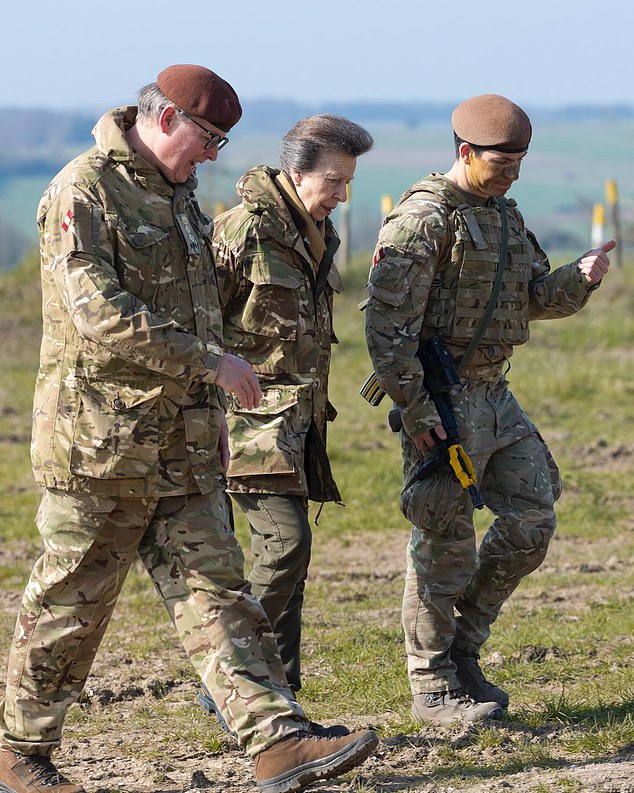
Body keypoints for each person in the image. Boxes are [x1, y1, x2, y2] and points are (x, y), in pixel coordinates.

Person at [0, 65, 378, 793]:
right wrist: (210, 363)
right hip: (100, 447)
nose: (215, 156)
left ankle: (275, 740)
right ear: (166, 119)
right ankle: (20, 751)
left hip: (183, 444)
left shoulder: (178, 197)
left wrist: (211, 414)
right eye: (209, 138)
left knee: (221, 594)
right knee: (70, 605)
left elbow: (203, 307)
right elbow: (96, 312)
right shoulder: (81, 191)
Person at [364, 93, 613, 727]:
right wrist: (417, 411)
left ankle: (462, 649)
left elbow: (533, 299)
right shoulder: (422, 222)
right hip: (442, 404)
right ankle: (433, 685)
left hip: (495, 398)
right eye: (502, 162)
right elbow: (388, 333)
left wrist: (580, 278)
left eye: (521, 162)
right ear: (465, 152)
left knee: (532, 521)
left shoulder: (503, 214)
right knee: (443, 541)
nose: (513, 173)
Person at [197, 114, 373, 724]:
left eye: (349, 182)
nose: (342, 195)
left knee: (292, 564)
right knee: (285, 545)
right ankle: (238, 684)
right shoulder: (244, 230)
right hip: (245, 420)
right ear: (296, 172)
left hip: (298, 422)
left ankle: (280, 700)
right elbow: (198, 323)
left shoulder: (314, 231)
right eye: (334, 181)